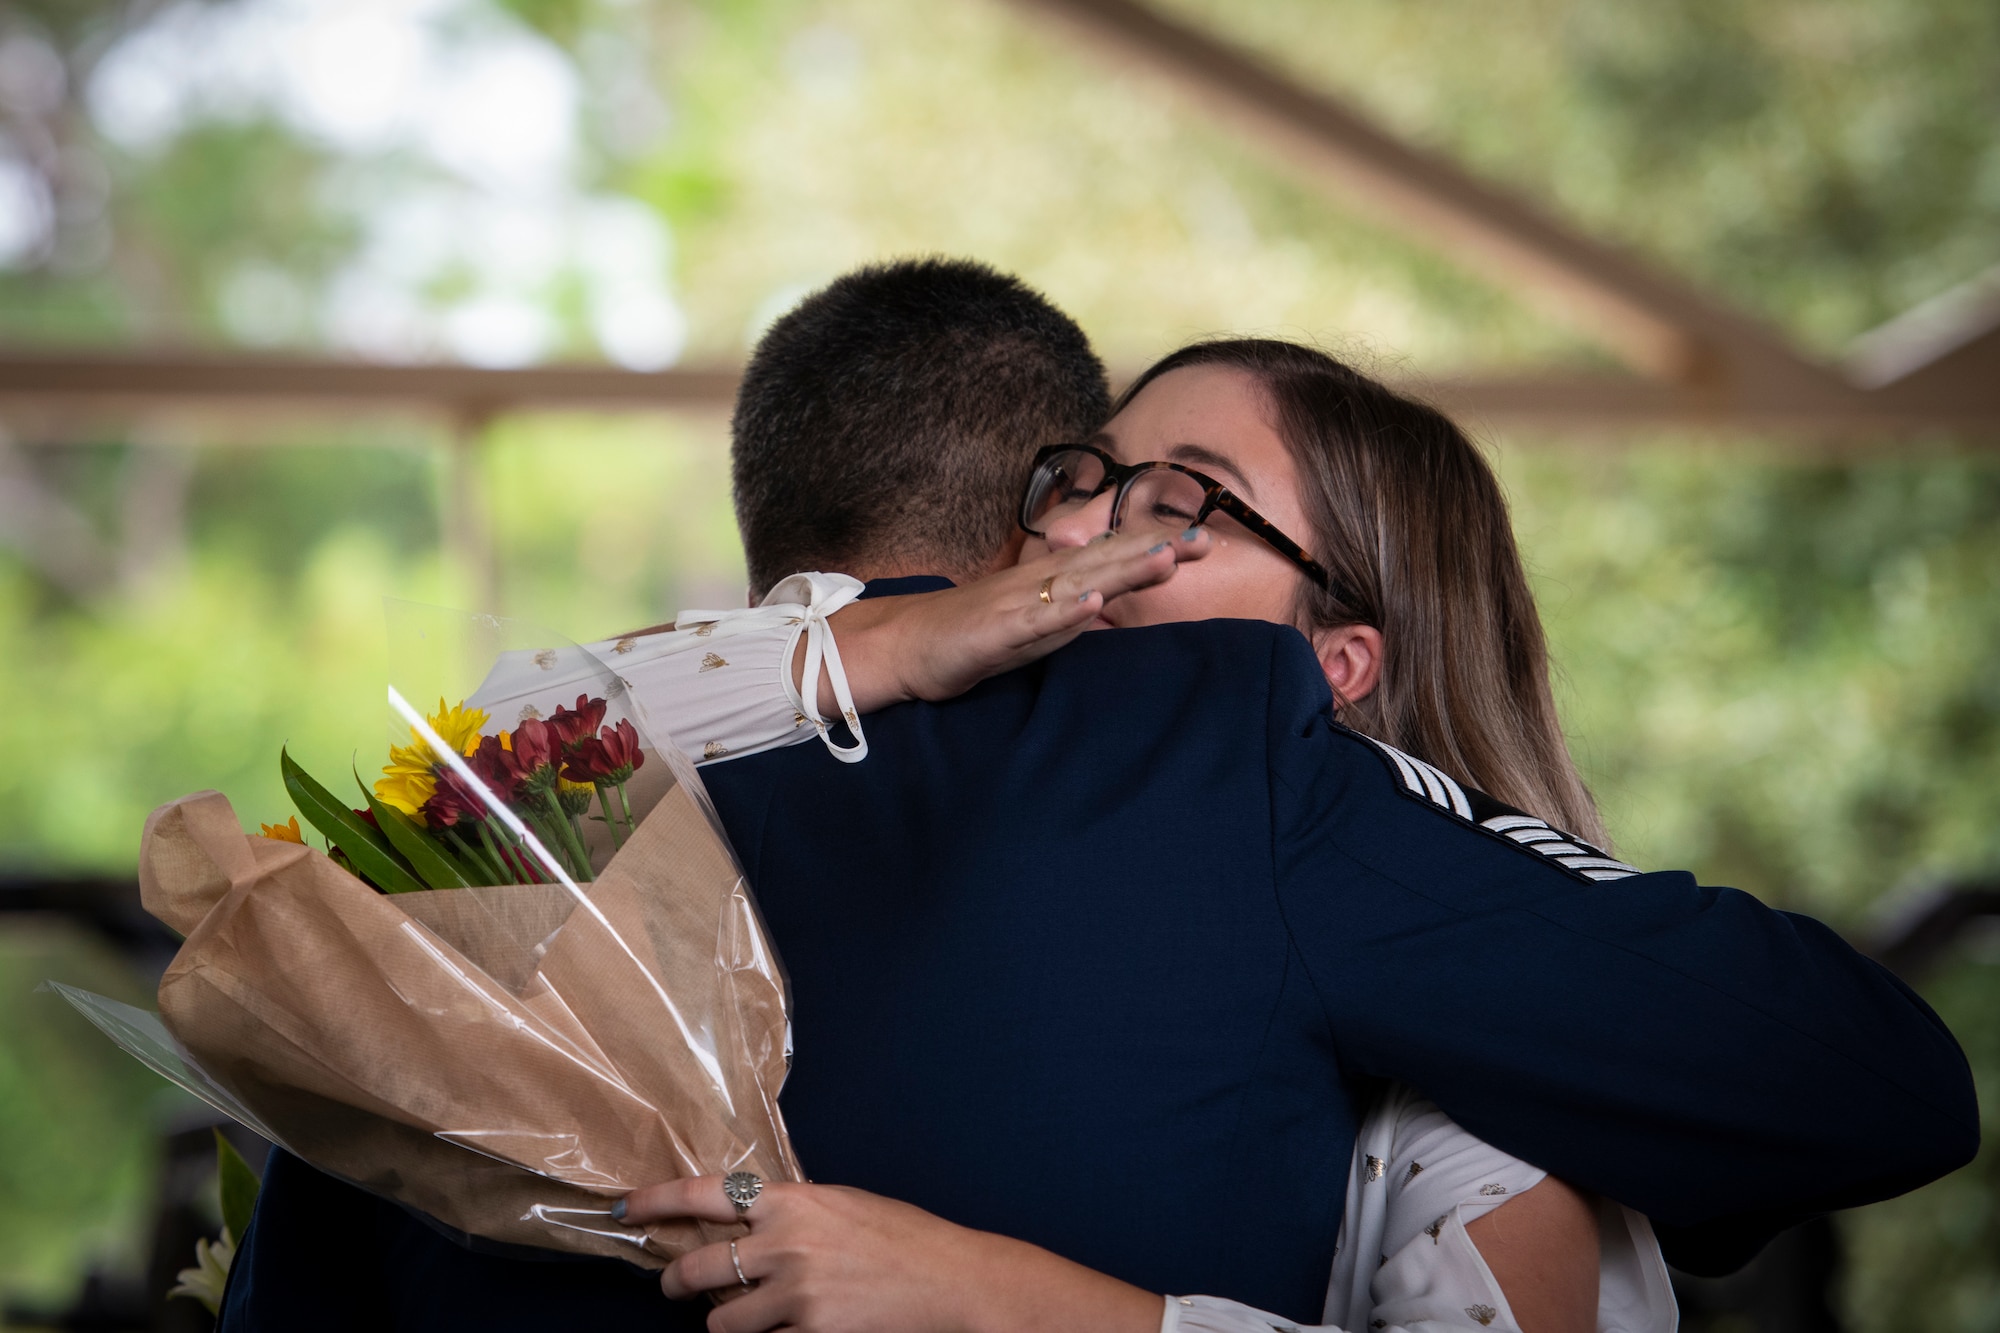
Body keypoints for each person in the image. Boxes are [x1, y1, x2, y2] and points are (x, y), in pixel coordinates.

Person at [219, 263, 1977, 1331]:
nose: (1093, 529)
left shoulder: (470, 833)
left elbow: (1869, 1079)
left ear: (1344, 658)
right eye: (1085, 477)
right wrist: (872, 661)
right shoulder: (568, 761)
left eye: (1174, 497)